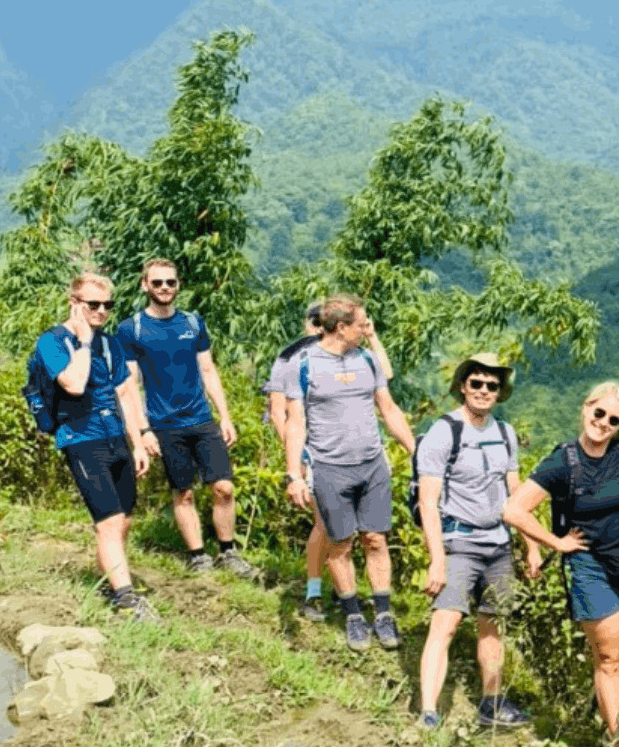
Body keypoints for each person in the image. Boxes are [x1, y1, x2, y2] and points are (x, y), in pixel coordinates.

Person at [503, 382, 619, 747]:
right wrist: (557, 543)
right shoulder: (562, 462)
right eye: (598, 413)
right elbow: (514, 510)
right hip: (592, 568)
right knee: (608, 658)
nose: (603, 423)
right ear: (586, 408)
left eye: (614, 420)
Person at [282, 294, 417, 652]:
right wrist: (294, 474)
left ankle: (384, 614)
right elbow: (295, 423)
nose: (367, 327)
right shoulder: (304, 364)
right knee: (340, 544)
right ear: (342, 327)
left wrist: (417, 453)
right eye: (361, 323)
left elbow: (389, 410)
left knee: (376, 539)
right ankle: (354, 614)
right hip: (329, 468)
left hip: (372, 464)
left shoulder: (368, 359)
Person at [416, 354, 542, 731]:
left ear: (500, 391)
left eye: (492, 385)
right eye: (477, 383)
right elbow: (428, 501)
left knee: (492, 624)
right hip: (460, 542)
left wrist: (531, 544)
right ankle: (427, 710)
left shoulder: (505, 434)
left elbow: (515, 493)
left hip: (499, 545)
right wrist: (436, 558)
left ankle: (491, 703)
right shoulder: (444, 432)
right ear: (463, 386)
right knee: (446, 623)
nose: (485, 390)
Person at [114, 259, 256, 579]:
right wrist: (143, 430)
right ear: (145, 286)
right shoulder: (131, 329)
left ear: (178, 285)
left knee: (224, 488)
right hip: (164, 424)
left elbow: (208, 370)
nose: (165, 288)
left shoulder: (193, 323)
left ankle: (228, 551)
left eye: (171, 282)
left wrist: (226, 416)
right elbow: (130, 387)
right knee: (184, 492)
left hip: (201, 419)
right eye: (158, 283)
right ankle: (198, 555)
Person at [32, 273, 159, 621]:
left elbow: (126, 393)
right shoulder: (53, 342)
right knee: (108, 522)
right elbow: (73, 384)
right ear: (74, 304)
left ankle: (109, 578)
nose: (101, 311)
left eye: (107, 305)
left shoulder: (109, 343)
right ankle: (126, 598)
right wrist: (84, 343)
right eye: (93, 305)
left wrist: (137, 442)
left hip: (115, 435)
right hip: (81, 439)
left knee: (123, 520)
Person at [266, 301, 398, 621]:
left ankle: (342, 592)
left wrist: (372, 336)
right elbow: (279, 412)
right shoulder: (292, 357)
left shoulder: (351, 356)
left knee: (346, 530)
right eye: (313, 323)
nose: (316, 330)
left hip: (349, 454)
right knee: (326, 526)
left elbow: (386, 374)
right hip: (315, 454)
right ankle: (314, 591)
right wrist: (297, 460)